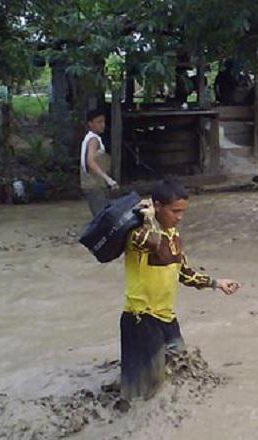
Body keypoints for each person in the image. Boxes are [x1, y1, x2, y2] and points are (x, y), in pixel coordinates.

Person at [120, 180, 241, 400]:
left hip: (166, 316)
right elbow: (153, 242)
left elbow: (184, 273)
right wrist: (147, 217)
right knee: (145, 388)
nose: (179, 217)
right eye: (175, 211)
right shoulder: (136, 234)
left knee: (180, 364)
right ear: (157, 206)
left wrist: (216, 283)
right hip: (140, 318)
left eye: (183, 211)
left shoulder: (174, 235)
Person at [80, 109, 118, 215]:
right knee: (101, 217)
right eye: (99, 122)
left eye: (103, 122)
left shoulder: (90, 138)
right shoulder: (93, 140)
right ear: (90, 124)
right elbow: (90, 161)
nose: (102, 125)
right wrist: (108, 179)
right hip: (95, 185)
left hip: (95, 184)